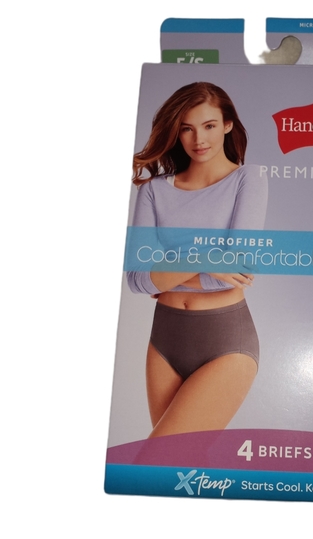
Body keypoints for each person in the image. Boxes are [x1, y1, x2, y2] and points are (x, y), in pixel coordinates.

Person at [127, 82, 268, 438]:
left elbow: (235, 272)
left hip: (225, 339)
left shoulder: (247, 179)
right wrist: (205, 257)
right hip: (164, 340)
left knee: (156, 457)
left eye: (209, 125)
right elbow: (137, 279)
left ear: (228, 125)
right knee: (175, 463)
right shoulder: (153, 190)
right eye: (187, 128)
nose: (198, 139)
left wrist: (167, 272)